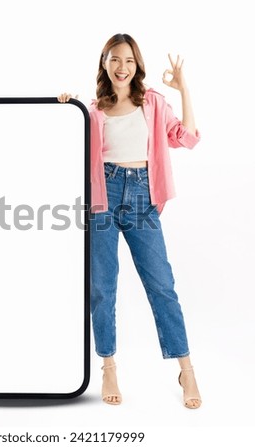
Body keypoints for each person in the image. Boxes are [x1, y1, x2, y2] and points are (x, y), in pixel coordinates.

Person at [58, 33, 202, 408]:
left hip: (142, 198)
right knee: (103, 288)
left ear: (137, 65)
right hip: (102, 198)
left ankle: (186, 369)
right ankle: (108, 366)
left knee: (162, 286)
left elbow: (186, 139)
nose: (122, 67)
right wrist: (64, 109)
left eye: (129, 61)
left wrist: (183, 88)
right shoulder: (93, 110)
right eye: (115, 60)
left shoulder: (152, 102)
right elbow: (68, 148)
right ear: (104, 63)